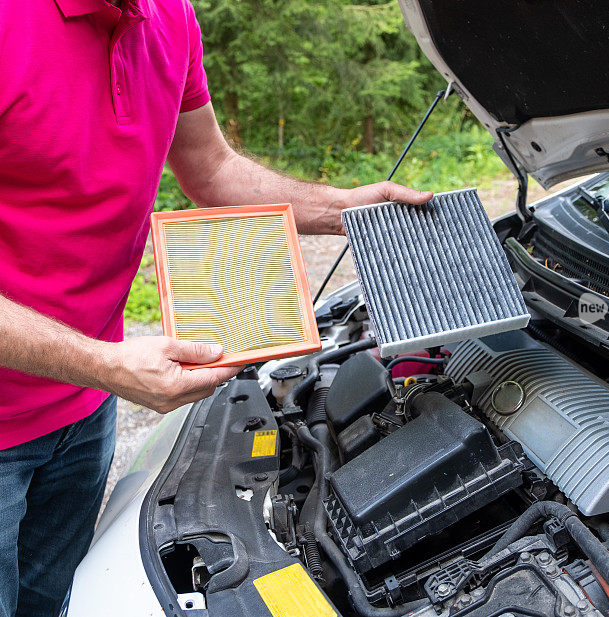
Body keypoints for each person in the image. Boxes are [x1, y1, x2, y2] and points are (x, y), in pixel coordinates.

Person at [0, 1, 433, 615]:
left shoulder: (167, 16)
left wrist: (350, 210)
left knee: (52, 602)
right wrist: (106, 364)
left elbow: (212, 168)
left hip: (82, 409)